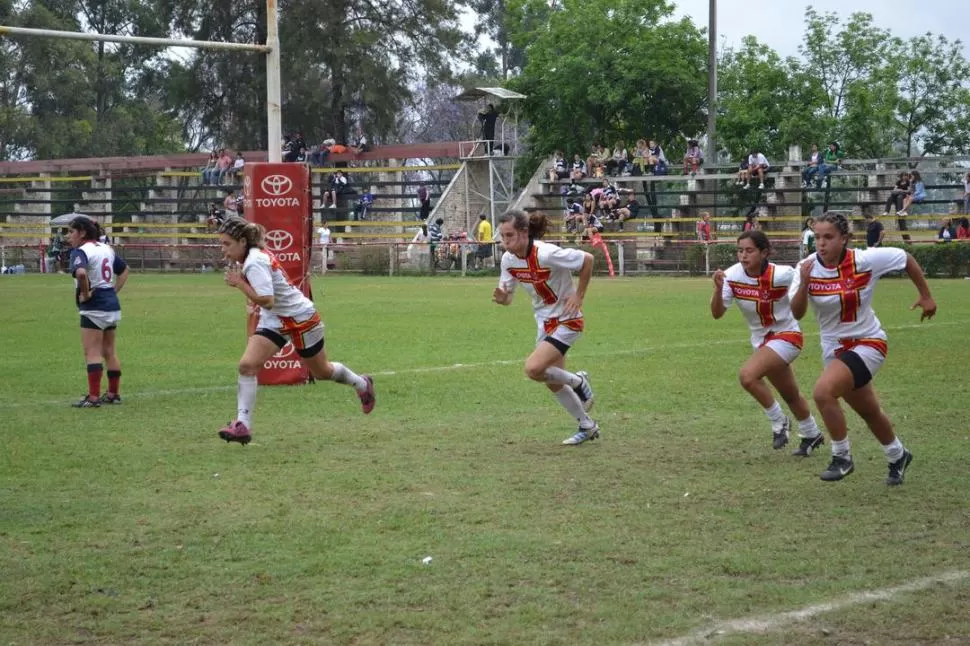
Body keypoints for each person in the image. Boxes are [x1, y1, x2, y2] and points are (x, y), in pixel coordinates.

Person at [789, 211, 937, 485]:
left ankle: (841, 456)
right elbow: (796, 313)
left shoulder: (864, 260)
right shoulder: (806, 267)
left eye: (828, 237)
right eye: (817, 237)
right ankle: (897, 454)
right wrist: (805, 284)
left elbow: (905, 259)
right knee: (868, 411)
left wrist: (926, 295)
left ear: (844, 239)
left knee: (823, 392)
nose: (821, 243)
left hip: (868, 342)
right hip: (834, 350)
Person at [216, 217, 375, 444]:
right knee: (247, 365)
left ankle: (362, 384)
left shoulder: (254, 262)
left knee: (322, 372)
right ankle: (242, 425)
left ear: (242, 242)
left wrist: (239, 284)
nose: (224, 250)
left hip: (301, 319)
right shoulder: (250, 258)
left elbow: (268, 300)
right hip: (276, 320)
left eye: (226, 244)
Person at [711, 231, 823, 454]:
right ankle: (812, 434)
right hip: (762, 343)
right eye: (740, 250)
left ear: (764, 253)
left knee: (748, 376)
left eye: (749, 250)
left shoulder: (783, 274)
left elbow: (807, 281)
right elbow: (717, 313)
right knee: (790, 394)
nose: (743, 255)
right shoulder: (731, 276)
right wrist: (717, 289)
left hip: (787, 336)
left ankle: (779, 421)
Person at [492, 209, 598, 445]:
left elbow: (587, 260)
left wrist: (579, 296)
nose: (505, 241)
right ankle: (587, 426)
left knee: (533, 369)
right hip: (544, 322)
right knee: (552, 381)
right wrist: (502, 299)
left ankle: (579, 381)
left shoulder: (547, 252)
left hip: (567, 320)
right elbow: (507, 298)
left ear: (524, 232)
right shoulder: (509, 260)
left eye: (509, 235)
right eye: (502, 236)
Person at [66, 215, 129, 408]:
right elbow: (124, 270)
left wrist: (85, 294)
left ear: (82, 233)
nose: (68, 236)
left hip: (94, 307)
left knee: (92, 352)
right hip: (111, 305)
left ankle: (93, 397)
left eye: (71, 232)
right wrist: (112, 290)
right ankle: (113, 394)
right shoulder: (106, 248)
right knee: (109, 351)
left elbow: (81, 273)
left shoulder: (80, 251)